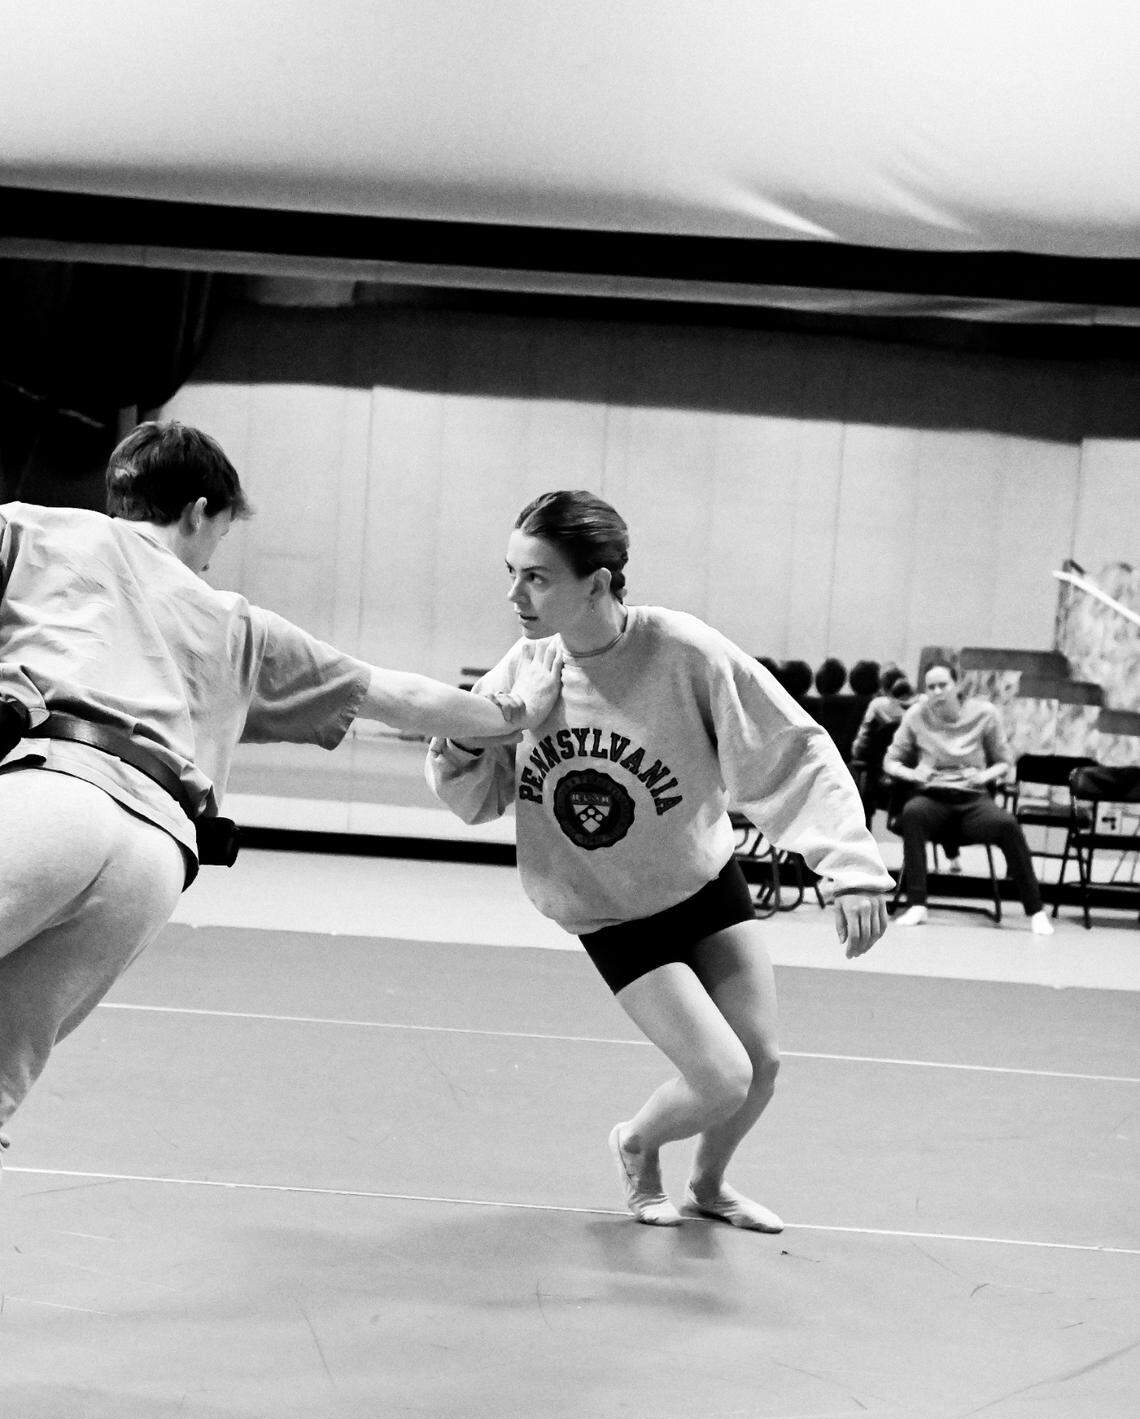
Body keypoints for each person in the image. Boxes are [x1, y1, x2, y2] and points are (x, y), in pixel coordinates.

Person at [0, 421, 562, 1157]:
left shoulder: (33, 531)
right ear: (200, 512)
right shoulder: (239, 624)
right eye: (218, 539)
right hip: (157, 858)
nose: (207, 562)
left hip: (55, 792)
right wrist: (514, 712)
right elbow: (398, 696)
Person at [426, 490, 893, 1231]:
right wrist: (484, 729)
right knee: (721, 1076)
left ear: (601, 582)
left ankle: (709, 1186)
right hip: (610, 911)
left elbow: (791, 750)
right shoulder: (527, 670)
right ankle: (638, 1144)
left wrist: (851, 866)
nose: (514, 594)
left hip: (702, 882)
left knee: (761, 1065)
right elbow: (473, 796)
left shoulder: (684, 653)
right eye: (511, 573)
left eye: (537, 577)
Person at [882, 661, 1053, 932]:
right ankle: (917, 904)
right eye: (930, 687)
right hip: (933, 798)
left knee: (1008, 825)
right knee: (912, 813)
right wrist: (912, 774)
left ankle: (1035, 911)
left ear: (956, 685)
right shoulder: (916, 714)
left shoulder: (984, 713)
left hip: (973, 800)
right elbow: (890, 761)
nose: (937, 692)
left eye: (943, 685)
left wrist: (983, 777)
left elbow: (1004, 762)